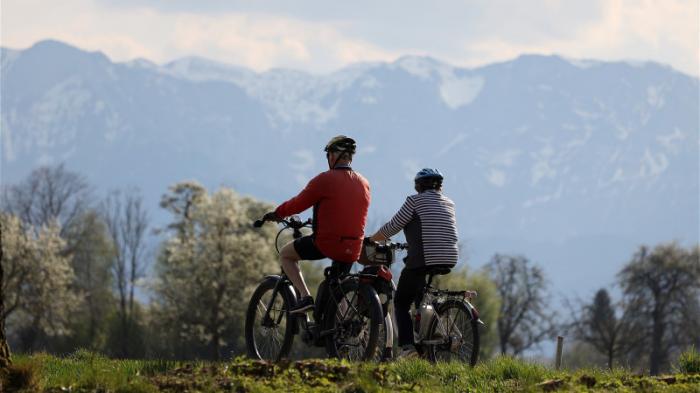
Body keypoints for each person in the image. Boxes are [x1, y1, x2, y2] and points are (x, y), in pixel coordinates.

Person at [263, 135, 371, 314]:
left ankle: (305, 297)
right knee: (337, 286)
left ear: (333, 156)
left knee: (286, 254)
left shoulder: (325, 179)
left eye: (328, 154)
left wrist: (277, 213)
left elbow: (298, 203)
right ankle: (342, 329)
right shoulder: (364, 183)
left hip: (327, 243)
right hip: (354, 247)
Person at [369, 168, 458, 357]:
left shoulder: (414, 201)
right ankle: (431, 330)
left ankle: (408, 347)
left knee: (401, 302)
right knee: (421, 293)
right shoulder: (449, 203)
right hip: (449, 256)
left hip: (425, 256)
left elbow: (393, 226)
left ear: (419, 186)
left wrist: (371, 239)